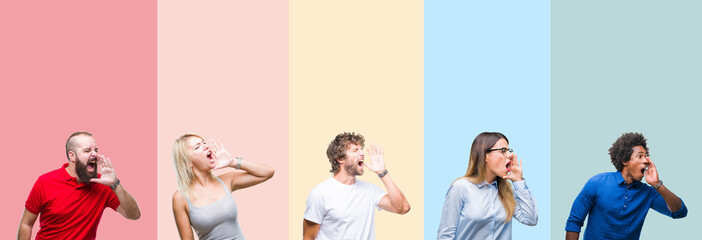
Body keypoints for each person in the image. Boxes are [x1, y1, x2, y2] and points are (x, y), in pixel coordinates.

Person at [17, 131, 141, 240]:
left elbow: (134, 215)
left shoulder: (103, 184)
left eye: (96, 150)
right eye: (87, 150)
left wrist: (115, 184)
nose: (95, 155)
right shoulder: (45, 182)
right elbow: (26, 224)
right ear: (72, 156)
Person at [565, 132, 687, 240]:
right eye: (640, 156)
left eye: (646, 156)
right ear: (625, 160)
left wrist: (657, 184)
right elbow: (574, 222)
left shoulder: (648, 193)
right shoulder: (596, 183)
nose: (646, 161)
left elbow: (680, 212)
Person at [303, 132, 410, 240]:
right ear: (340, 158)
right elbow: (308, 237)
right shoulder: (320, 193)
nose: (362, 153)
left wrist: (382, 172)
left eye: (361, 149)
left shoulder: (371, 191)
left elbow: (403, 208)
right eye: (355, 150)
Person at [171, 133, 274, 240]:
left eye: (204, 143)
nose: (206, 146)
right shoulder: (180, 198)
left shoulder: (226, 180)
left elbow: (267, 172)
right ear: (187, 162)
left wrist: (233, 162)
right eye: (197, 147)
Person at [437, 132, 538, 240]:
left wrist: (518, 181)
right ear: (485, 156)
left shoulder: (508, 191)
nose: (510, 155)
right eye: (503, 150)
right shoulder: (460, 188)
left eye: (509, 150)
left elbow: (530, 219)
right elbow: (445, 236)